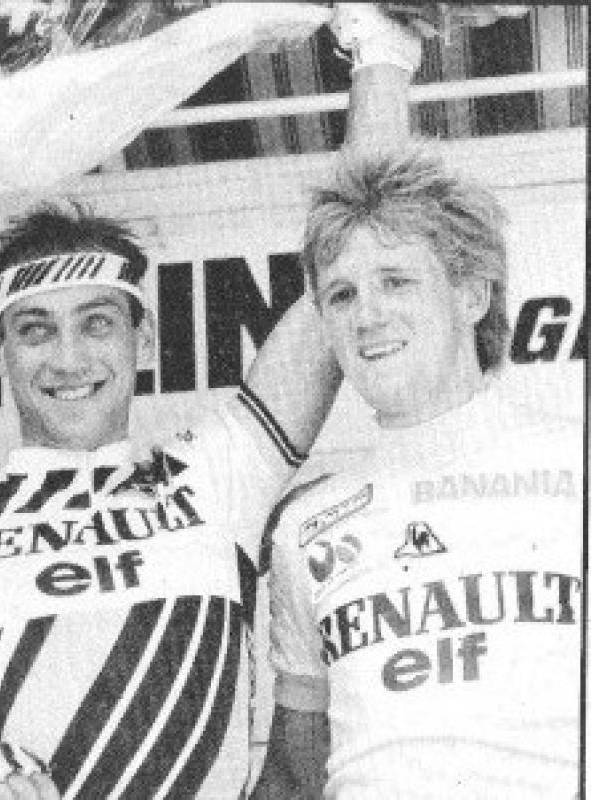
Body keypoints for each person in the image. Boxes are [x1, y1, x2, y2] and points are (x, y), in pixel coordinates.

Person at [0, 201, 341, 799]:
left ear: (143, 338)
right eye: (36, 329)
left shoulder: (216, 475)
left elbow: (348, 263)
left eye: (96, 322)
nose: (69, 358)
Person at [250, 141, 583, 799]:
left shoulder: (575, 466)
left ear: (472, 293)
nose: (367, 315)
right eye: (342, 295)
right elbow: (292, 778)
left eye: (395, 281)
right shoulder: (307, 526)